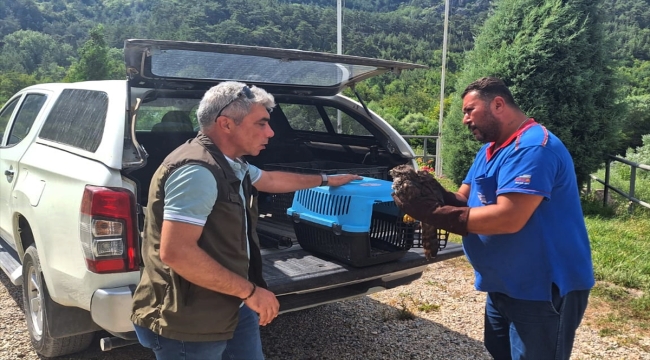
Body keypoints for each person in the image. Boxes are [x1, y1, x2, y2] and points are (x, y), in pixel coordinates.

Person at [131, 81, 361, 360]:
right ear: (226, 124)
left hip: (232, 303)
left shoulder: (230, 162)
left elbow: (271, 180)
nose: (271, 132)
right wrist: (251, 291)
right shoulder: (197, 171)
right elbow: (177, 252)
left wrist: (327, 179)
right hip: (190, 320)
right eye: (261, 123)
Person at [393, 77, 594, 360]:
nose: (464, 119)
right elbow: (464, 199)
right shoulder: (490, 150)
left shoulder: (534, 147)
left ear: (498, 104)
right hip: (503, 284)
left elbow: (508, 218)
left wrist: (436, 214)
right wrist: (431, 193)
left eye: (469, 110)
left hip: (543, 289)